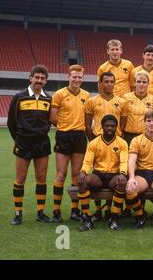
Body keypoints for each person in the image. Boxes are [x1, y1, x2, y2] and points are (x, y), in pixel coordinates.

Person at [7, 65, 53, 225]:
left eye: (42, 78)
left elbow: (49, 121)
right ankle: (18, 213)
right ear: (31, 78)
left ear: (45, 81)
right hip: (23, 143)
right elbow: (11, 122)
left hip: (42, 144)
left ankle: (40, 213)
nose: (39, 81)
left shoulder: (48, 98)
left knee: (41, 178)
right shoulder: (19, 97)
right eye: (37, 77)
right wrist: (19, 139)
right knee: (20, 179)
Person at [49, 64, 91, 222]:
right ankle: (56, 211)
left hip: (79, 136)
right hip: (64, 135)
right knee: (61, 174)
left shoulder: (86, 95)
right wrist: (65, 128)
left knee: (76, 175)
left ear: (83, 78)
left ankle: (74, 210)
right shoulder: (59, 94)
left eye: (80, 77)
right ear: (69, 77)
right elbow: (53, 118)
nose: (77, 79)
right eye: (74, 77)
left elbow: (88, 120)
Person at [84, 71, 127, 220]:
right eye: (106, 81)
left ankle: (109, 210)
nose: (109, 84)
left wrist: (117, 137)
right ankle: (97, 210)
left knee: (114, 173)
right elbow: (88, 125)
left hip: (116, 141)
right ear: (100, 83)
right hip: (98, 140)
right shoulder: (91, 101)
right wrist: (94, 141)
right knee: (97, 172)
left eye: (111, 81)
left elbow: (122, 125)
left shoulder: (122, 102)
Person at [76, 115, 128, 231]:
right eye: (107, 126)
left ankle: (113, 218)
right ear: (102, 127)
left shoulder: (122, 143)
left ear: (116, 127)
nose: (110, 128)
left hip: (114, 175)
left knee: (122, 183)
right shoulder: (94, 143)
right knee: (82, 182)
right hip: (98, 175)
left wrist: (123, 173)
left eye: (112, 126)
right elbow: (87, 161)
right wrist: (83, 172)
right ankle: (87, 219)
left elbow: (124, 161)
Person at [122, 70, 153, 145]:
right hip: (128, 136)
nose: (141, 84)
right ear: (134, 83)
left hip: (146, 136)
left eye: (144, 82)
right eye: (138, 82)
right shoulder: (125, 98)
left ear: (148, 84)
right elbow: (122, 118)